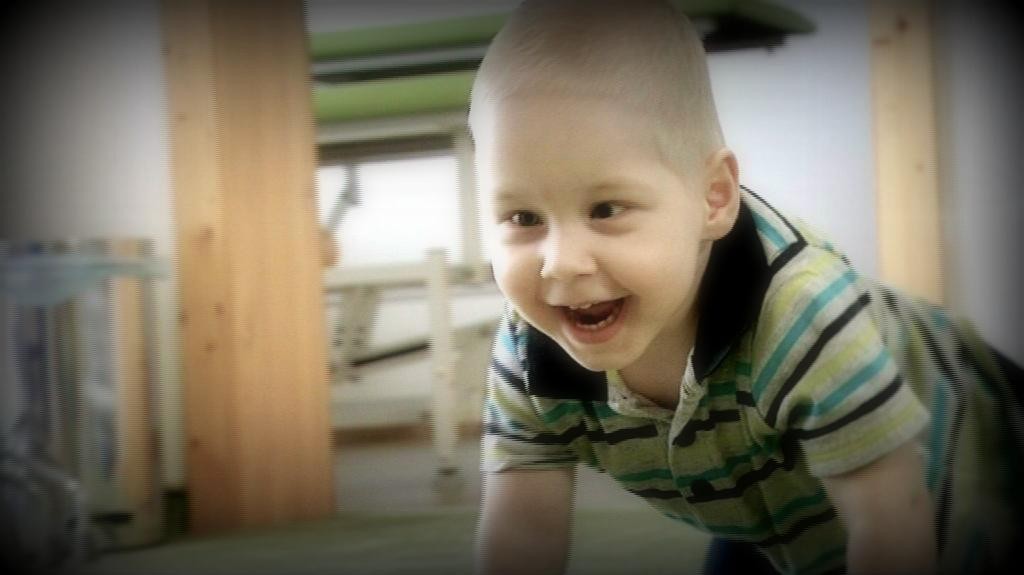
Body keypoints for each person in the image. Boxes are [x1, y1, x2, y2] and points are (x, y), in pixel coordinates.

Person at [468, 1, 1024, 574]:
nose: (560, 265)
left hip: (964, 472)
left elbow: (893, 518)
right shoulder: (531, 349)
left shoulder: (798, 312)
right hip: (771, 495)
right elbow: (522, 533)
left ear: (713, 198)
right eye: (523, 218)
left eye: (606, 209)